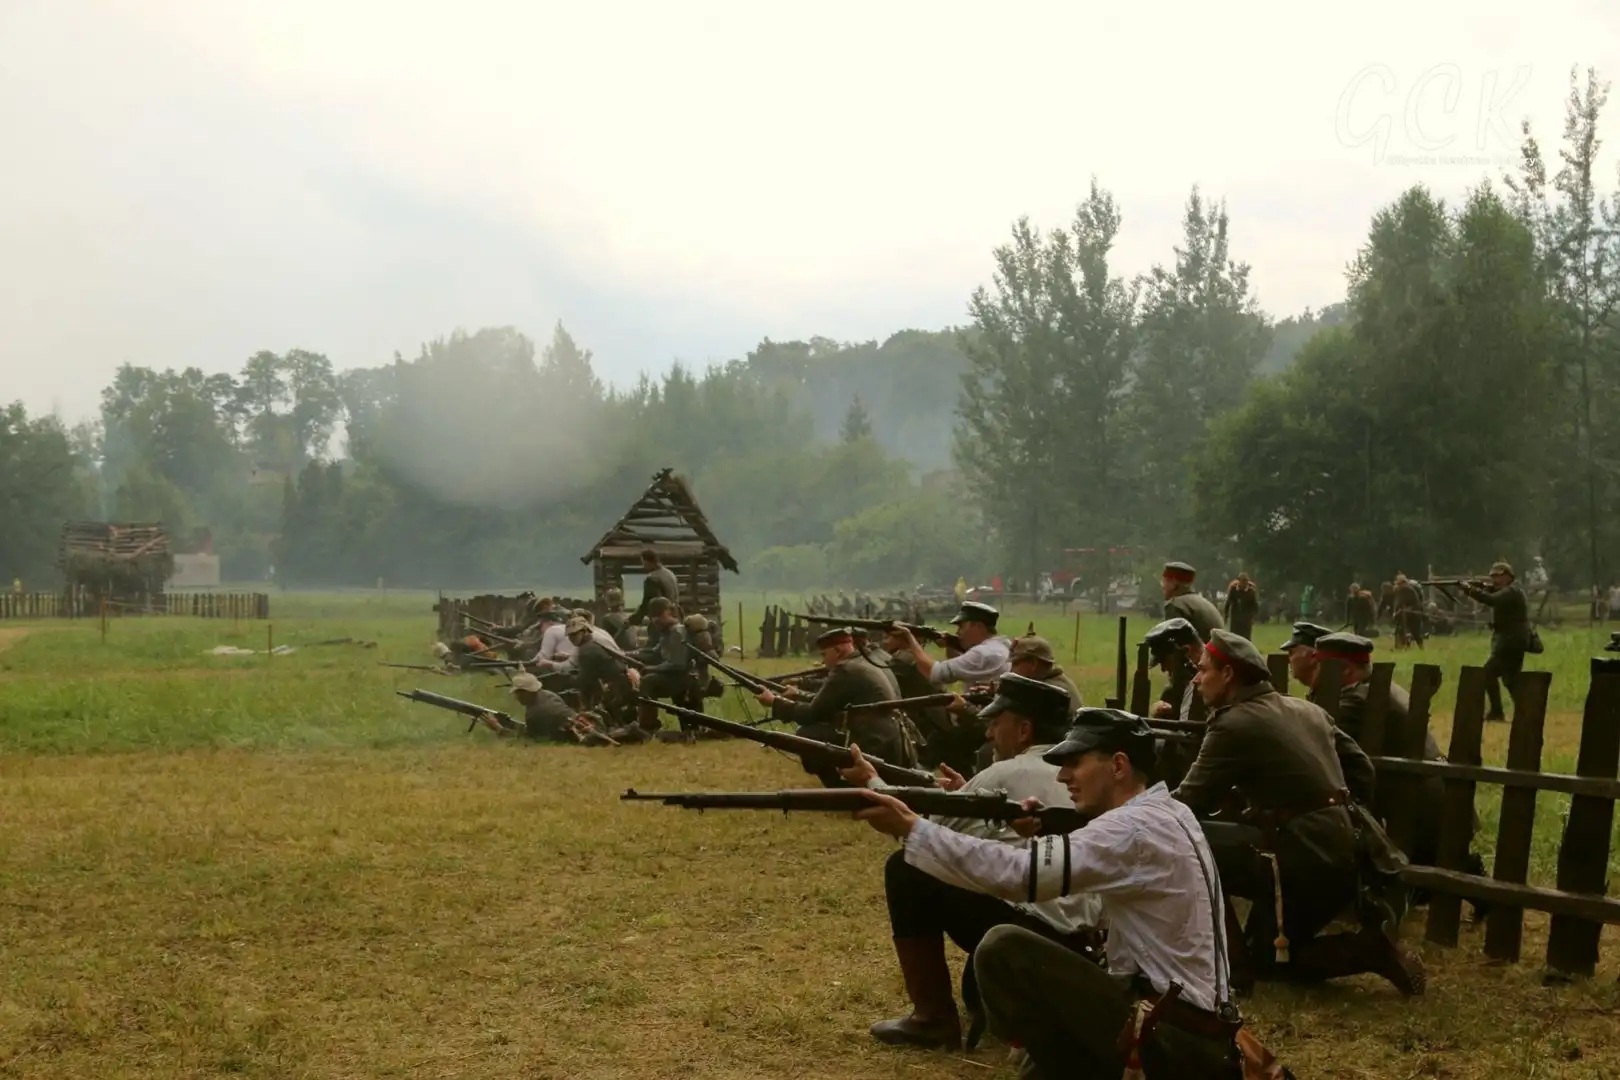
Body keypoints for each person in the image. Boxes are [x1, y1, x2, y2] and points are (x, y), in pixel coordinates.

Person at [854, 708, 1258, 1079]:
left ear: (1118, 765)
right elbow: (1102, 854)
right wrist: (1042, 827)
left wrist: (912, 828)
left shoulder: (1130, 829)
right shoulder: (1169, 812)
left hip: (1174, 1041)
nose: (1063, 777)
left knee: (1003, 948)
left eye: (1075, 763)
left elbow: (1020, 874)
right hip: (1195, 1031)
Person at [841, 675, 1102, 1052]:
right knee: (974, 988)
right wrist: (968, 793)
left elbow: (924, 833)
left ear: (1024, 730)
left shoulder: (1004, 773)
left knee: (906, 869)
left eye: (997, 723)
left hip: (1038, 930)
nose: (989, 733)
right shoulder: (1081, 776)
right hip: (1083, 941)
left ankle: (931, 1019)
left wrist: (872, 782)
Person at [1175, 630, 1423, 995]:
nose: (1196, 679)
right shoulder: (1309, 710)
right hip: (1349, 851)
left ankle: (1234, 970)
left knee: (1188, 842)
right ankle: (1369, 951)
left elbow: (1186, 803)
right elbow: (1362, 770)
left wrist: (1130, 813)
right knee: (1270, 958)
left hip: (1304, 857)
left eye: (1203, 670)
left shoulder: (1233, 723)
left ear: (1228, 674)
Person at [754, 626, 912, 784]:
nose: (823, 661)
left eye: (824, 654)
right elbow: (828, 701)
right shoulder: (863, 661)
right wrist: (798, 695)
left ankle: (840, 788)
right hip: (893, 740)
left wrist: (774, 702)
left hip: (874, 744)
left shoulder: (845, 669)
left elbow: (811, 714)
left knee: (807, 736)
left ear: (838, 651)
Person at [1460, 562, 1532, 723]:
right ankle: (1525, 712)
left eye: (1498, 576)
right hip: (1510, 641)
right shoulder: (1508, 591)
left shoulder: (1512, 591)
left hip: (1511, 641)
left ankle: (1497, 712)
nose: (1495, 580)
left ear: (1508, 576)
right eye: (1493, 576)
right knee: (1510, 680)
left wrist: (1470, 590)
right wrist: (1479, 589)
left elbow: (1491, 600)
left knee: (1487, 674)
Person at [892, 601, 1011, 689]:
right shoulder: (1000, 646)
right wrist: (950, 644)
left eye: (961, 627)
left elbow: (934, 673)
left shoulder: (982, 654)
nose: (958, 632)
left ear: (978, 626)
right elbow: (959, 665)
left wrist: (910, 640)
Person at [1145, 618, 1203, 722]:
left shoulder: (1210, 685)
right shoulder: (1176, 691)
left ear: (1185, 652)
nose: (1163, 669)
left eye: (1165, 660)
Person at [1161, 562, 1224, 642]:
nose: (1162, 585)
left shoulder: (1176, 605)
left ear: (1174, 583)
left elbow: (1175, 644)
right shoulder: (1204, 603)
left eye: (1164, 581)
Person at [629, 547, 680, 626]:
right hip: (675, 614)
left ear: (647, 562)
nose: (643, 566)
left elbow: (648, 603)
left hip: (662, 620)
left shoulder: (652, 579)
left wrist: (633, 620)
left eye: (643, 563)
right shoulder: (670, 573)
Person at [1278, 621, 1334, 690]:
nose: (1288, 660)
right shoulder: (1326, 691)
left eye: (1291, 653)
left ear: (1314, 656)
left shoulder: (1329, 693)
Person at [1222, 572, 1260, 641]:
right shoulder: (1233, 590)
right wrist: (1226, 616)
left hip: (1246, 620)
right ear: (1239, 581)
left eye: (1245, 581)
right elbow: (1228, 603)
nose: (1244, 584)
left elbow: (1255, 606)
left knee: (1246, 638)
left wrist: (1253, 617)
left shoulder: (1251, 592)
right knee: (1234, 638)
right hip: (1235, 619)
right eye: (1243, 581)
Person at [1392, 574, 1423, 649]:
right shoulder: (1398, 591)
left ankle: (1421, 647)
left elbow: (1416, 604)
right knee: (1399, 631)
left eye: (1401, 583)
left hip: (1413, 615)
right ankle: (1399, 648)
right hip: (1401, 614)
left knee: (1415, 632)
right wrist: (1396, 612)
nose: (1400, 585)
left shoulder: (1411, 591)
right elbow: (1397, 603)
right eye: (1398, 583)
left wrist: (1409, 609)